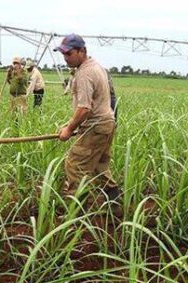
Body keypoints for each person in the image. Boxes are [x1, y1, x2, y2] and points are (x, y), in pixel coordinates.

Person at [54, 34, 121, 204]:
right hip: (106, 124)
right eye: (63, 54)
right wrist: (71, 124)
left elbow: (84, 108)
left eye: (69, 54)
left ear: (82, 51)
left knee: (75, 165)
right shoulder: (96, 66)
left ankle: (75, 210)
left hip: (96, 127)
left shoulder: (85, 73)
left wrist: (69, 129)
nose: (65, 58)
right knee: (99, 166)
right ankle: (115, 203)